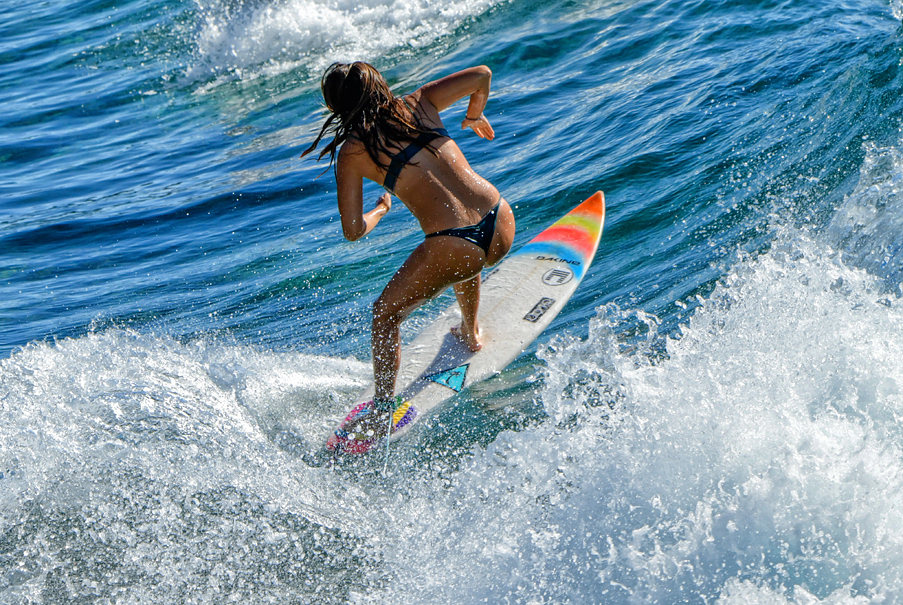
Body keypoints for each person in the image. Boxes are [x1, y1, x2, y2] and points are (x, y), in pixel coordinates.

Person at [302, 61, 515, 438]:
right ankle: (470, 333)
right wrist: (473, 116)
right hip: (500, 219)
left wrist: (380, 212)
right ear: (380, 85)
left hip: (457, 246)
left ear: (337, 108)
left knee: (384, 314)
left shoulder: (352, 151)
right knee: (461, 259)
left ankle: (383, 411)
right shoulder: (419, 102)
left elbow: (352, 231)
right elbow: (483, 74)